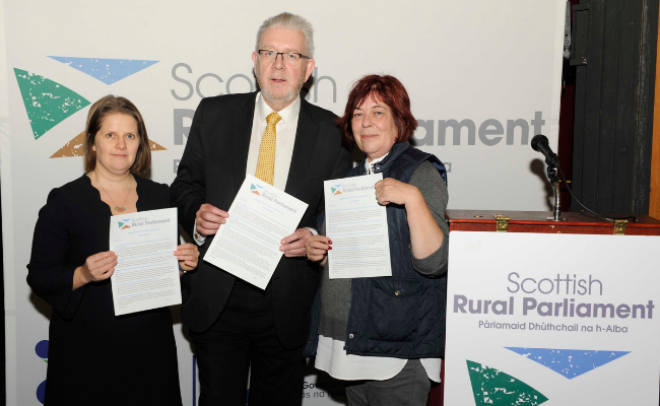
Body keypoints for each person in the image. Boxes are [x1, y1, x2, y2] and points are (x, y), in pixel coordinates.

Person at [170, 12, 352, 406]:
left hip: (287, 301)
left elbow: (338, 214)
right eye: (270, 52)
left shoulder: (334, 133)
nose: (279, 64)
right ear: (254, 61)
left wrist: (315, 235)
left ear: (308, 68)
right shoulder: (214, 115)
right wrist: (197, 215)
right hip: (219, 294)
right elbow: (184, 185)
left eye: (291, 55)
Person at [27, 95, 199, 406]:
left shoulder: (160, 196)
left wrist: (184, 264)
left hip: (150, 350)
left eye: (130, 135)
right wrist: (82, 273)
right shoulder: (65, 201)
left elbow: (165, 268)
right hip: (85, 354)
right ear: (92, 143)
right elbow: (39, 276)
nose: (121, 144)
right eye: (110, 135)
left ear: (140, 144)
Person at [305, 74, 449, 406]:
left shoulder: (420, 173)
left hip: (396, 351)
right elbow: (340, 251)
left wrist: (412, 198)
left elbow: (434, 262)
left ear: (399, 123)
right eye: (357, 113)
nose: (366, 122)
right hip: (351, 346)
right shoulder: (349, 181)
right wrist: (318, 246)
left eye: (378, 112)